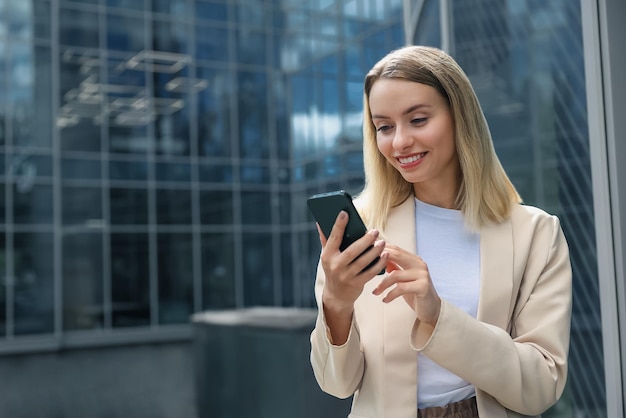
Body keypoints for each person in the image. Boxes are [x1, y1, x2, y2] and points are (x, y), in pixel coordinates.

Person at [309, 45, 572, 418]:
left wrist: (437, 316)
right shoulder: (362, 231)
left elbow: (542, 385)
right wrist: (336, 304)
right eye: (384, 127)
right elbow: (337, 384)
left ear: (459, 116)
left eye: (417, 120)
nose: (399, 142)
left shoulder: (535, 234)